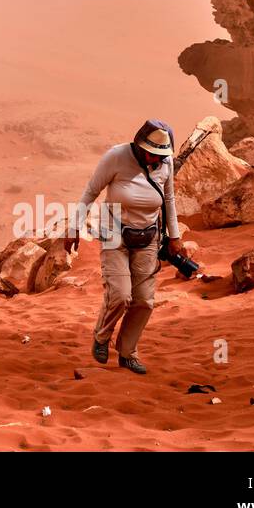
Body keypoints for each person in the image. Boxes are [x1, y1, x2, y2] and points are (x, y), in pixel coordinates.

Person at [63, 119, 186, 376]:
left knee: (143, 301)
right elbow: (90, 191)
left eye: (160, 155)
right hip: (114, 234)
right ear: (140, 145)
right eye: (151, 153)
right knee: (120, 294)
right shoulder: (116, 157)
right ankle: (102, 335)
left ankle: (128, 353)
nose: (155, 158)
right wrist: (73, 227)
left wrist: (174, 237)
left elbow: (170, 200)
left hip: (148, 237)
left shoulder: (166, 164)